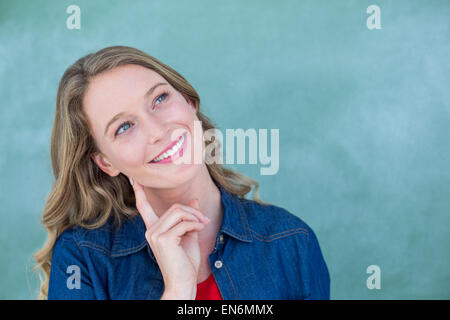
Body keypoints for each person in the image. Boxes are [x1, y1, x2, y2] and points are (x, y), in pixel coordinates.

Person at [33, 46, 330, 300]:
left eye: (160, 99)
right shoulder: (82, 258)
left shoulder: (292, 242)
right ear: (106, 163)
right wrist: (177, 290)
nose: (158, 130)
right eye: (124, 127)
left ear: (189, 102)